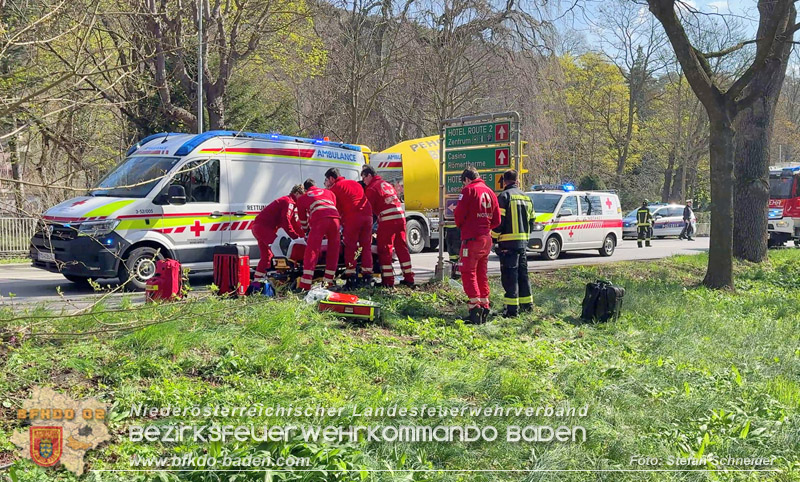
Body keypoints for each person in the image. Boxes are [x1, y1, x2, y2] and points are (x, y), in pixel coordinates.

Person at [454, 167, 501, 324]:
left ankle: (474, 309)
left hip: (472, 239)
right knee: (481, 273)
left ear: (467, 179)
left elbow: (459, 215)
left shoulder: (468, 190)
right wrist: (485, 227)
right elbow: (497, 220)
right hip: (486, 238)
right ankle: (484, 306)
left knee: (468, 272)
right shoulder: (490, 192)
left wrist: (465, 226)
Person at [361, 165, 415, 288]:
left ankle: (388, 281)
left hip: (387, 220)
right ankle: (409, 278)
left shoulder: (372, 188)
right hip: (400, 218)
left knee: (385, 249)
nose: (363, 181)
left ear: (369, 175)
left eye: (364, 178)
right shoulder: (386, 184)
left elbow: (367, 209)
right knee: (402, 248)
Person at [491, 170, 533, 317]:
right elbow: (532, 220)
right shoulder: (526, 197)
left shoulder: (504, 197)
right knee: (523, 275)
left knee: (510, 277)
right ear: (517, 180)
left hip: (507, 244)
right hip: (522, 244)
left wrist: (493, 238)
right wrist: (525, 237)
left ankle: (511, 310)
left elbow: (499, 222)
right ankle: (527, 306)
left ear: (504, 181)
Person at [324, 168, 373, 289]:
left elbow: (335, 209)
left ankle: (352, 277)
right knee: (365, 246)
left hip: (353, 217)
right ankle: (367, 276)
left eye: (326, 180)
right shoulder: (354, 183)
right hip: (368, 215)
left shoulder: (335, 188)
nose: (325, 183)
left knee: (350, 246)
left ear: (332, 179)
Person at [250, 185, 305, 284]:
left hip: (257, 228)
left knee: (267, 256)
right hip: (264, 229)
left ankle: (256, 282)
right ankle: (281, 280)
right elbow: (286, 222)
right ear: (297, 193)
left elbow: (293, 223)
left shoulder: (287, 202)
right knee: (281, 252)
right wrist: (296, 237)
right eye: (302, 197)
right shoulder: (289, 202)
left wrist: (302, 236)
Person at [295, 178, 341, 290]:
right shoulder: (329, 192)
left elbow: (302, 219)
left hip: (319, 219)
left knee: (312, 250)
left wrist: (306, 230)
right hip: (335, 219)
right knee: (333, 250)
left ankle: (305, 283)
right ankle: (328, 281)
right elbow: (332, 206)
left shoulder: (303, 198)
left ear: (305, 189)